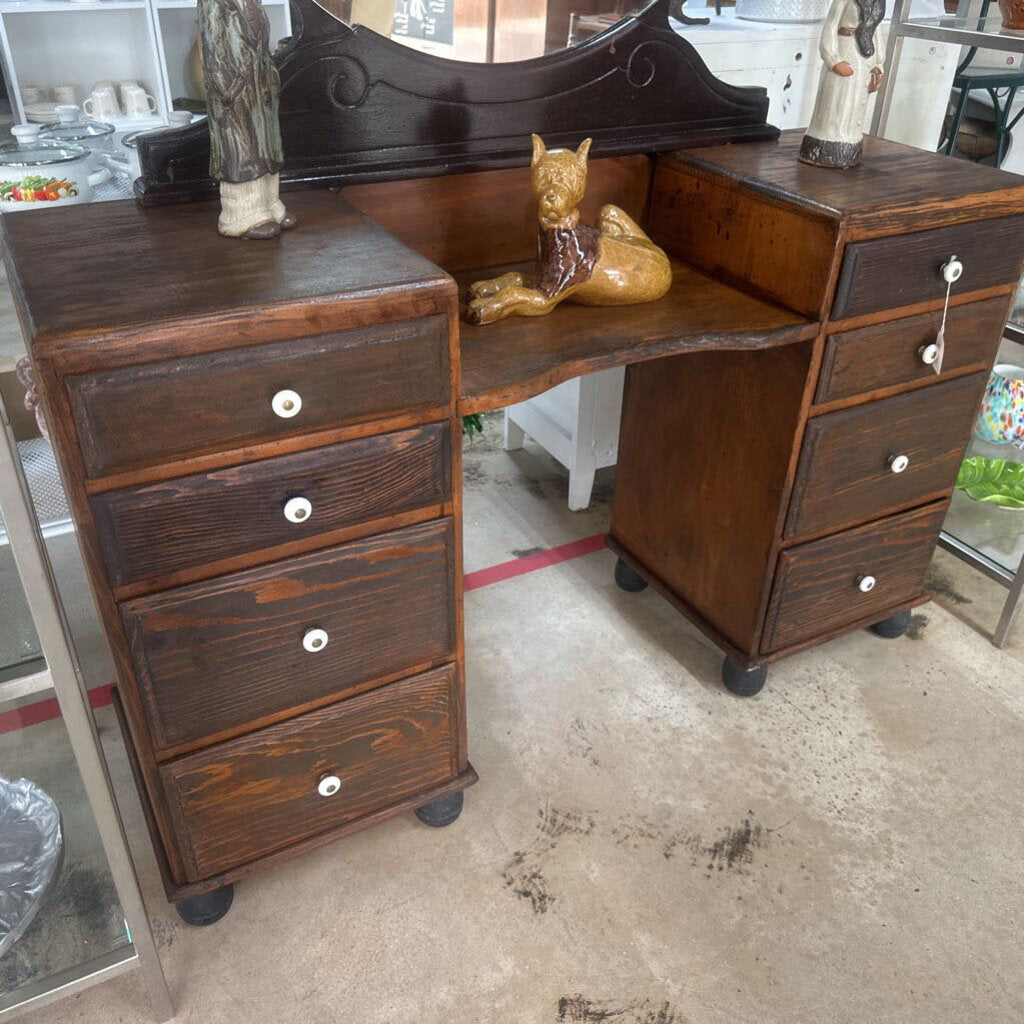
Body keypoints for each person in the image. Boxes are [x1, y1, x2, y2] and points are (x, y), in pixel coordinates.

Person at [201, 0, 296, 237]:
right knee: (243, 154)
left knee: (266, 150)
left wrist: (270, 77)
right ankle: (240, 216)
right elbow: (212, 49)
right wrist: (228, 91)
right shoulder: (215, 3)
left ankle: (269, 204)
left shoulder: (255, 3)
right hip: (235, 92)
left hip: (260, 87)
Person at [799, 0, 886, 169]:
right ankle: (824, 147)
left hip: (865, 58)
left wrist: (879, 64)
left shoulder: (878, 2)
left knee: (855, 106)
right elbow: (831, 24)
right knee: (837, 103)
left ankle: (850, 145)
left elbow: (876, 32)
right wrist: (833, 59)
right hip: (845, 52)